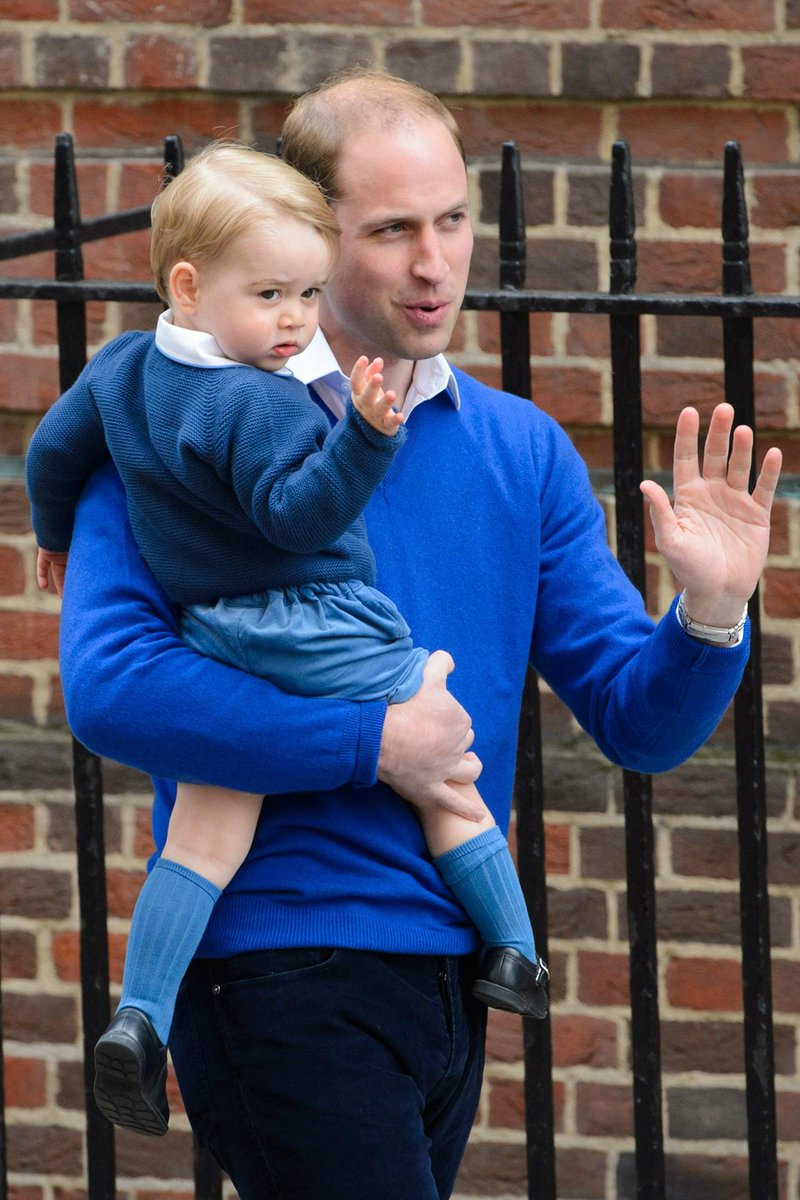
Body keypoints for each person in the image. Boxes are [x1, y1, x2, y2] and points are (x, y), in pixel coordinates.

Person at [51, 68, 782, 1200]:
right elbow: (112, 690)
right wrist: (374, 745)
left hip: (452, 975)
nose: (434, 263)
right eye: (392, 230)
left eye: (451, 220)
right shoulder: (173, 431)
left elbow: (637, 724)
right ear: (311, 232)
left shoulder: (519, 449)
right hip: (273, 963)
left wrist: (711, 611)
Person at [26, 140, 548, 1138]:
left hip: (217, 634)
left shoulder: (121, 371)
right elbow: (296, 515)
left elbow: (53, 450)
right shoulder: (260, 401)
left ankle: (139, 1017)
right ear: (189, 285)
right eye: (270, 295)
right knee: (443, 765)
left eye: (307, 294)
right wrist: (367, 439)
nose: (296, 321)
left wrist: (53, 534)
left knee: (204, 831)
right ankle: (515, 950)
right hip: (318, 623)